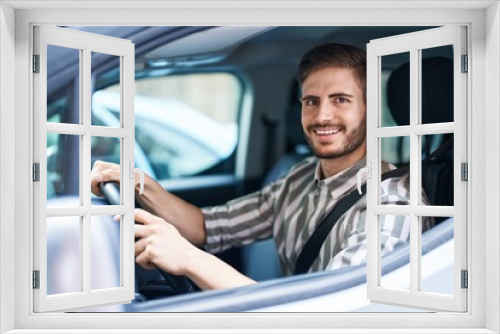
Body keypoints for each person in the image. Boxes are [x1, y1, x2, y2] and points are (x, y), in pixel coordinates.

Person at [90, 43, 412, 291]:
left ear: (370, 112)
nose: (322, 116)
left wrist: (188, 259)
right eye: (311, 101)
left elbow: (327, 313)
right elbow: (208, 226)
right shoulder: (300, 177)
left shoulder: (392, 207)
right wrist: (140, 183)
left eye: (341, 99)